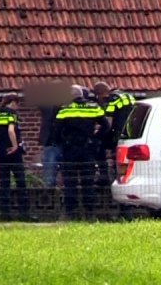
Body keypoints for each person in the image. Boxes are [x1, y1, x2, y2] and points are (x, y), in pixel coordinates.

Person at [53, 85, 109, 219]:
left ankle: (70, 213)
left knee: (70, 181)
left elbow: (55, 131)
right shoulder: (94, 107)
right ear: (82, 95)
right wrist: (95, 138)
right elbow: (106, 125)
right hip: (88, 149)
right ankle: (89, 213)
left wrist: (62, 143)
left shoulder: (65, 109)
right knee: (88, 181)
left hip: (70, 150)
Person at [0, 93, 31, 220]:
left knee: (4, 182)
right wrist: (15, 146)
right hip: (12, 151)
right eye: (17, 104)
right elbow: (10, 130)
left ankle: (5, 214)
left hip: (1, 150)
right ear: (13, 102)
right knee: (20, 181)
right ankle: (24, 213)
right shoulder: (12, 114)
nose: (17, 107)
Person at [92, 82, 136, 186]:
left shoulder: (111, 100)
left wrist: (97, 135)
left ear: (99, 95)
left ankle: (104, 177)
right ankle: (123, 179)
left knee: (99, 145)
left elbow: (108, 124)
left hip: (118, 134)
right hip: (132, 133)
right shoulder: (127, 96)